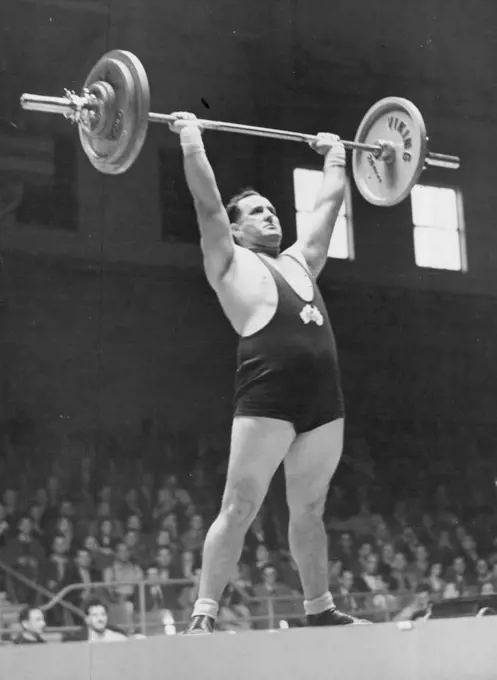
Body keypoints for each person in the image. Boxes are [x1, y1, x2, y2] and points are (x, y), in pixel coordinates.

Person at [168, 112, 369, 634]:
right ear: (235, 229)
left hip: (325, 405)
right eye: (257, 212)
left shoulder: (302, 261)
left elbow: (327, 208)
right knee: (239, 505)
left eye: (273, 209)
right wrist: (192, 140)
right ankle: (203, 617)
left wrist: (334, 156)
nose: (270, 216)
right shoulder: (228, 262)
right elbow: (207, 204)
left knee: (309, 509)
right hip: (268, 399)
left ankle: (320, 608)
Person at [63, 598, 128, 643]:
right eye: (95, 615)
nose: (100, 618)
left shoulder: (118, 638)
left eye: (103, 614)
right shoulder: (78, 641)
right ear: (87, 619)